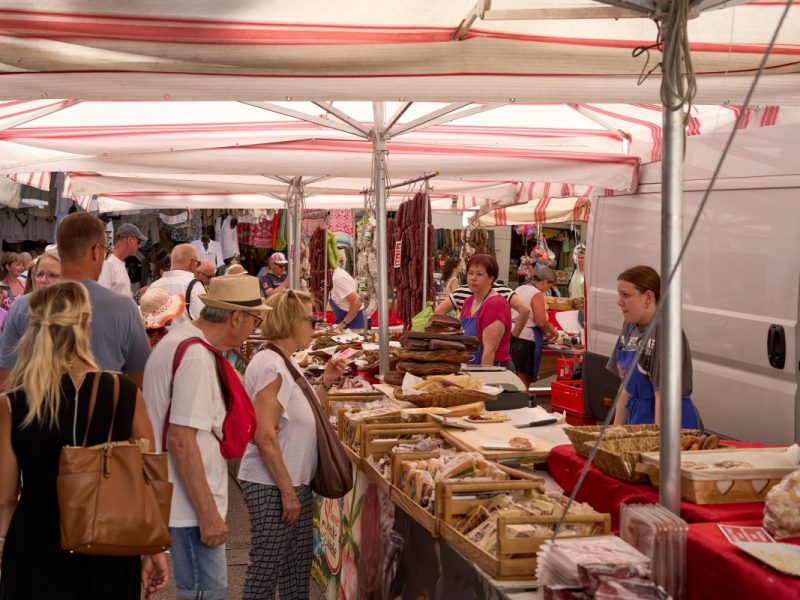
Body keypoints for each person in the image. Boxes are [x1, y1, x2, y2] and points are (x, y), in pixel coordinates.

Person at [0, 282, 169, 600]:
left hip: (36, 542)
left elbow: (6, 497)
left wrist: (3, 545)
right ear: (86, 328)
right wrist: (152, 547)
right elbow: (150, 475)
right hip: (110, 540)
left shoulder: (13, 403)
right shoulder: (123, 392)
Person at [143, 273, 270, 600]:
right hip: (189, 510)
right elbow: (182, 442)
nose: (253, 329)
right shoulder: (196, 356)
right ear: (236, 316)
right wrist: (208, 514)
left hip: (183, 505)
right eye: (254, 319)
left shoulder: (183, 340)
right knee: (206, 593)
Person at [239, 289, 344, 599]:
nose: (316, 325)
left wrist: (325, 381)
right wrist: (287, 491)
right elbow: (264, 434)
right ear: (291, 321)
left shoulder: (284, 361)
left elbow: (303, 415)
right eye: (311, 319)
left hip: (291, 481)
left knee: (295, 571)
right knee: (266, 570)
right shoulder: (271, 365)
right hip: (273, 483)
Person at [0, 213, 151, 391]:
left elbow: (5, 379)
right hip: (100, 415)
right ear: (96, 251)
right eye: (104, 249)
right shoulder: (124, 308)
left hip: (35, 414)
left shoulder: (22, 306)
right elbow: (140, 380)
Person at [607, 265, 701, 428]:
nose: (619, 302)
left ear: (648, 297)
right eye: (619, 294)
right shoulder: (629, 326)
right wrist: (615, 431)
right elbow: (625, 388)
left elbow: (663, 396)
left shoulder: (664, 331)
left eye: (626, 295)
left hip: (668, 421)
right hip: (639, 418)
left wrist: (658, 445)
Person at [459, 254, 513, 368]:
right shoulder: (469, 302)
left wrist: (485, 381)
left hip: (492, 370)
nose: (473, 278)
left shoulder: (495, 304)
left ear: (491, 278)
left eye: (479, 274)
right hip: (471, 367)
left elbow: (490, 351)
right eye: (470, 273)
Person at [148, 244, 204, 326]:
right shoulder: (194, 285)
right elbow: (201, 320)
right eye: (198, 263)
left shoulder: (153, 286)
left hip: (161, 338)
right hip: (186, 337)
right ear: (193, 262)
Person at [523, 267, 560, 384]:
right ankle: (522, 401)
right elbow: (541, 322)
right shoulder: (536, 294)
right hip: (527, 341)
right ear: (544, 281)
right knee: (524, 379)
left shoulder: (520, 288)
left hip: (515, 337)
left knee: (515, 378)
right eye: (549, 286)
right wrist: (554, 332)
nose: (548, 289)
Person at [98, 223, 148, 297]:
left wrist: (139, 294)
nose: (139, 246)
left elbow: (126, 297)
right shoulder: (108, 264)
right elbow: (103, 297)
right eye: (138, 242)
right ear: (129, 240)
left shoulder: (119, 264)